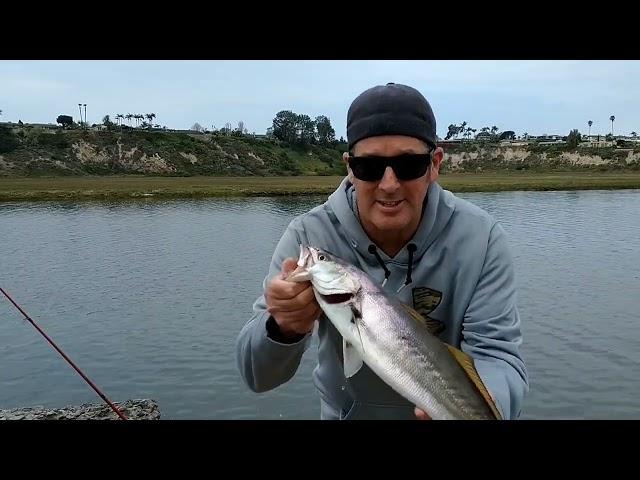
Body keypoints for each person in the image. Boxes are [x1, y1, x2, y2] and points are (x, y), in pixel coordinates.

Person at [236, 82, 529, 420]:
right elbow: (256, 376)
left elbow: (498, 358)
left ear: (435, 164)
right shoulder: (310, 235)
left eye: (408, 166)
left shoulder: (482, 238)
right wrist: (282, 327)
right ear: (350, 167)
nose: (389, 184)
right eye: (370, 168)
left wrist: (488, 406)